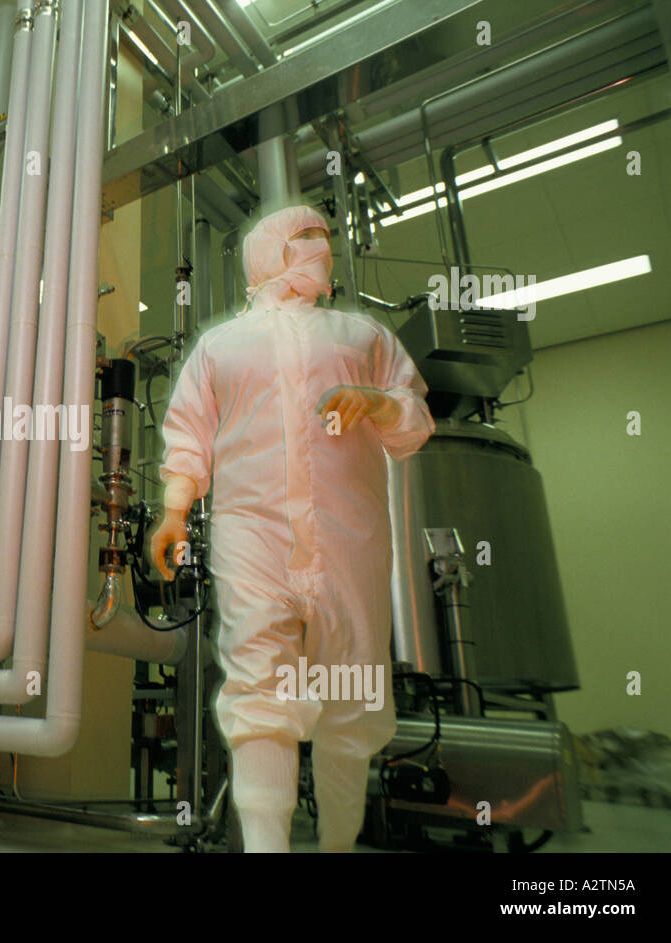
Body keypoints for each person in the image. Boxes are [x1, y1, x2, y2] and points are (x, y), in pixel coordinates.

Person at [149, 205, 435, 853]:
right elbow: (188, 436)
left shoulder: (362, 334)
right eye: (306, 237)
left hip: (349, 544)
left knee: (349, 701)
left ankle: (337, 844)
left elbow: (414, 419)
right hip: (252, 541)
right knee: (259, 696)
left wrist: (382, 403)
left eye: (325, 239)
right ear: (270, 249)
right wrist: (172, 510)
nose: (320, 248)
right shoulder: (219, 347)